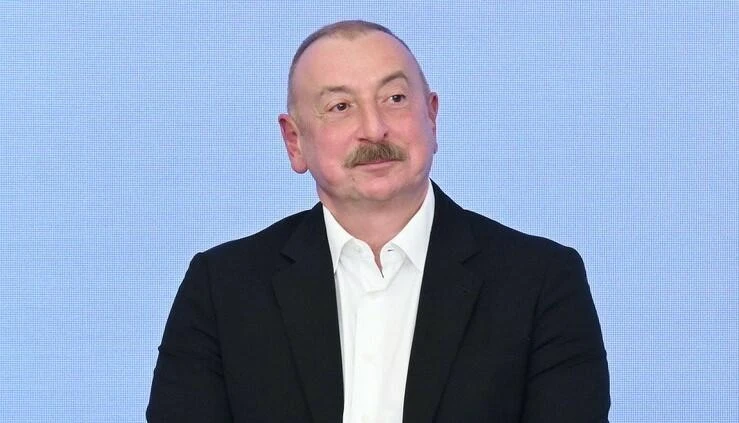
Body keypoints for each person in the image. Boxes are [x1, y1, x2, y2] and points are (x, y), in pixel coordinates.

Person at [147, 20, 610, 422]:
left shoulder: (540, 281)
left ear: (432, 116)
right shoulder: (222, 287)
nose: (373, 128)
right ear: (294, 141)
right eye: (340, 107)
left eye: (394, 98)